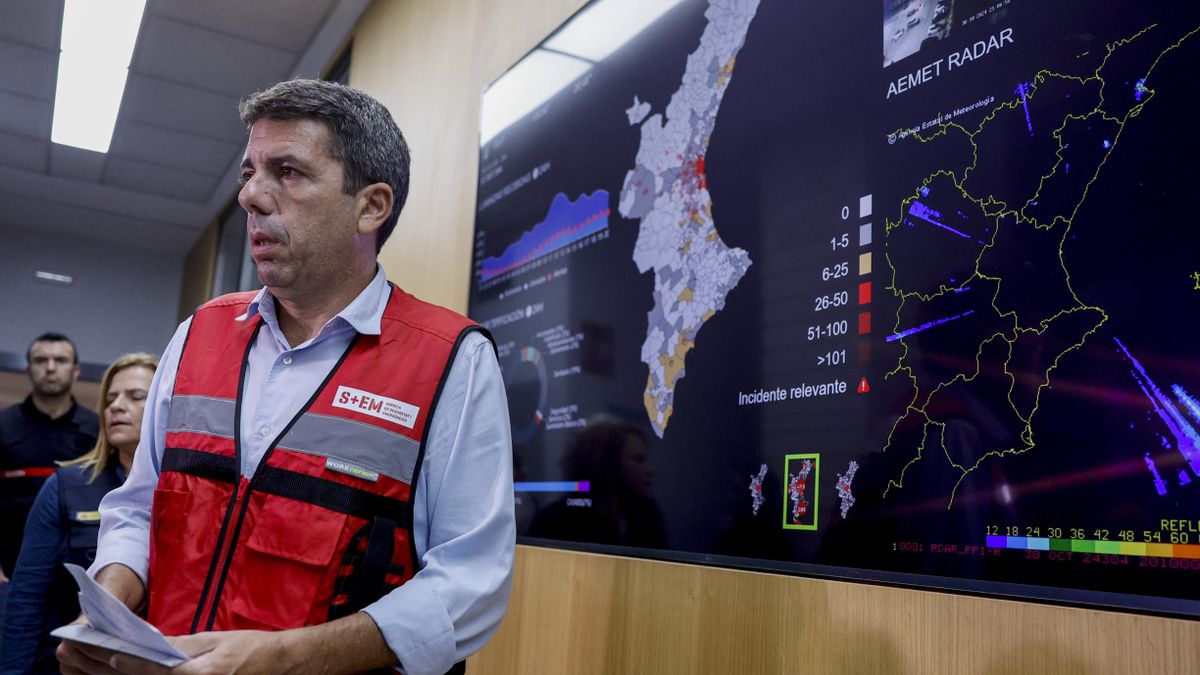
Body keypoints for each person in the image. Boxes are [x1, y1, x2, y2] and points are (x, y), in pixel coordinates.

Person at [56, 79, 515, 675]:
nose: (251, 195)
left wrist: (286, 658)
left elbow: (471, 582)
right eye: (249, 172)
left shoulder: (450, 358)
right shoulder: (199, 334)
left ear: (370, 206)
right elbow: (140, 507)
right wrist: (109, 604)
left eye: (288, 172)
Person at [2, 353, 157, 674]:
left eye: (136, 396)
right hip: (70, 662)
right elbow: (26, 600)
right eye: (110, 398)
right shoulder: (67, 486)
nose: (115, 406)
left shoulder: (193, 493)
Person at [0, 334, 99, 581]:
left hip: (78, 566)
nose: (51, 368)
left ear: (75, 370)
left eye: (60, 360)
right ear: (28, 369)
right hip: (11, 566)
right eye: (41, 360)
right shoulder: (3, 425)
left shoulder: (98, 429)